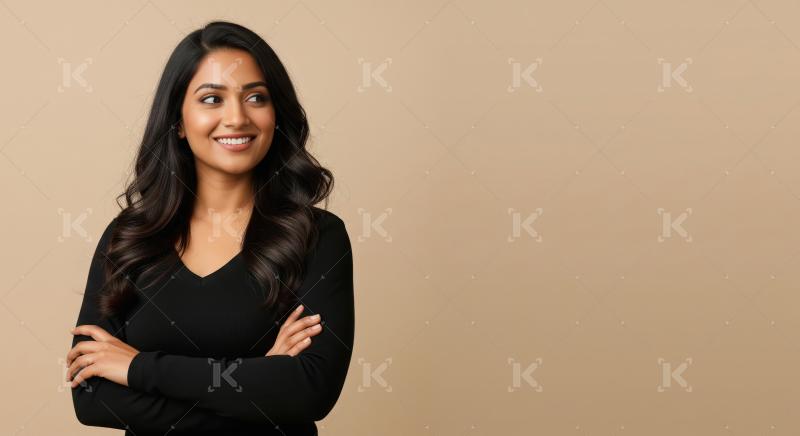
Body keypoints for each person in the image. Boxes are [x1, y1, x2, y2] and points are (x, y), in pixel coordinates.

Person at [64, 21, 354, 436]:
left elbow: (310, 392)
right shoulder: (128, 238)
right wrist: (259, 382)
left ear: (276, 115)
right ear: (179, 121)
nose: (236, 117)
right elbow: (91, 398)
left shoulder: (318, 237)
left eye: (256, 97)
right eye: (212, 99)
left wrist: (137, 367)